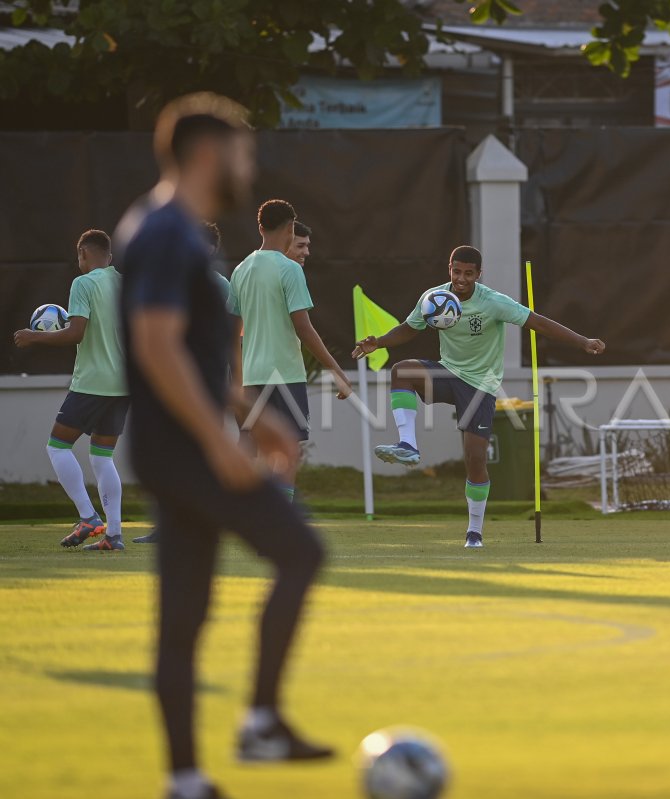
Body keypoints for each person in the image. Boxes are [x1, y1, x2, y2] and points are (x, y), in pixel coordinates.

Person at [116, 92, 333, 799]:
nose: (250, 165)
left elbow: (190, 350)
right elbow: (154, 346)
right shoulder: (165, 234)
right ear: (210, 155)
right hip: (183, 449)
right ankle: (262, 721)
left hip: (173, 443)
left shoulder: (162, 227)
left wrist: (250, 410)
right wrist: (219, 439)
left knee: (183, 612)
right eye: (243, 151)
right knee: (302, 550)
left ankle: (184, 777)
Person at [353, 245, 605, 548]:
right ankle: (408, 444)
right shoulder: (434, 298)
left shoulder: (494, 302)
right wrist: (378, 342)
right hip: (448, 373)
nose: (460, 278)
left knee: (474, 458)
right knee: (402, 370)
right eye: (456, 271)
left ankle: (474, 531)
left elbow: (537, 322)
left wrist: (582, 341)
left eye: (468, 274)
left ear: (478, 274)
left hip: (481, 386)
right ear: (449, 268)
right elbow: (409, 329)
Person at [229, 200, 352, 501]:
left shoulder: (241, 269)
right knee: (286, 448)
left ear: (260, 228)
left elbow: (232, 333)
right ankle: (279, 521)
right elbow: (304, 327)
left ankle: (239, 512)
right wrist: (336, 370)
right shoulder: (290, 269)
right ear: (290, 227)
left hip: (251, 376)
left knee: (248, 446)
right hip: (284, 374)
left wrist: (238, 380)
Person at [13, 229, 128, 551]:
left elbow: (76, 333)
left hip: (93, 382)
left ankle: (88, 516)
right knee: (103, 458)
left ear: (84, 255)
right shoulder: (124, 283)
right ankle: (114, 535)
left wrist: (34, 337)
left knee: (57, 446)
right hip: (123, 385)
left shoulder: (84, 283)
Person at [133, 221, 228, 548]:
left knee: (201, 454)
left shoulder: (219, 285)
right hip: (174, 381)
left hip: (207, 384)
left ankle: (205, 521)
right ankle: (171, 526)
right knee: (171, 455)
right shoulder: (170, 279)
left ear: (213, 249)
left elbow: (226, 337)